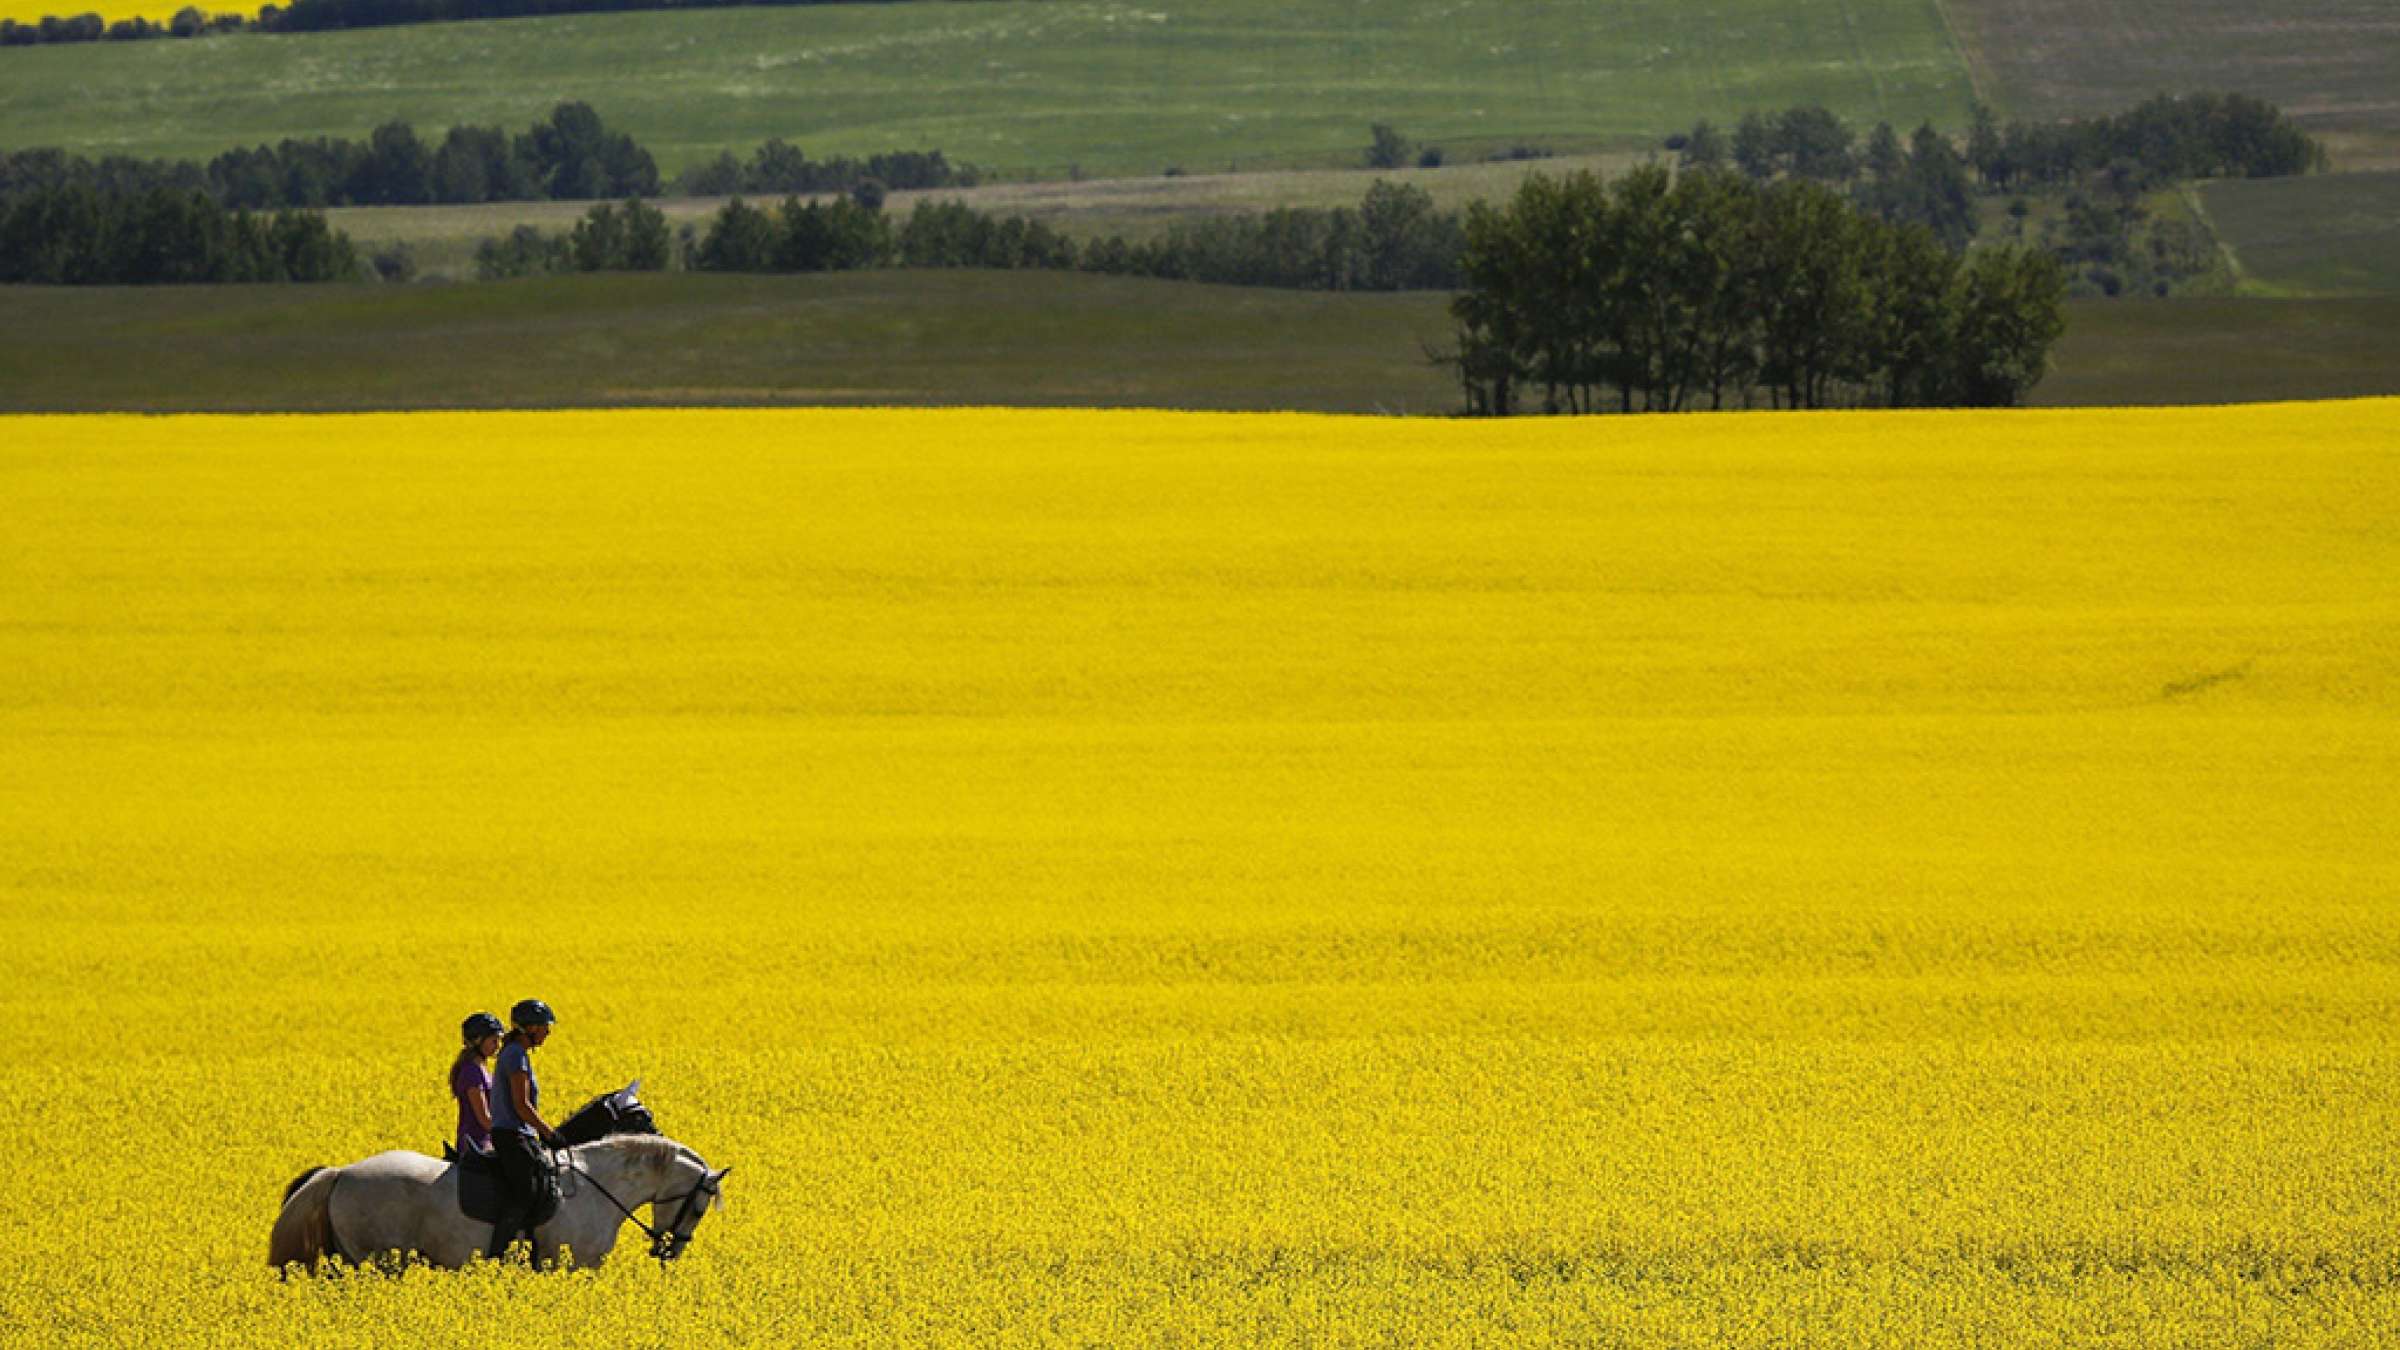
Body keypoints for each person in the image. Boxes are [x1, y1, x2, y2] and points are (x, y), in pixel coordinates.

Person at [486, 998, 561, 1261]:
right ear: (529, 1028)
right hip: (512, 1134)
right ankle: (499, 1251)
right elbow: (521, 1105)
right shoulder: (515, 1055)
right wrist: (549, 1132)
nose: (547, 1032)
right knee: (527, 1189)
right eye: (543, 1026)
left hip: (519, 1133)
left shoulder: (516, 1053)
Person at [452, 1012, 503, 1160]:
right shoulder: (471, 1072)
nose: (498, 1046)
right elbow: (484, 1119)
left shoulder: (481, 1068)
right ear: (478, 1041)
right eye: (494, 1041)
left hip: (487, 1140)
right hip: (477, 1144)